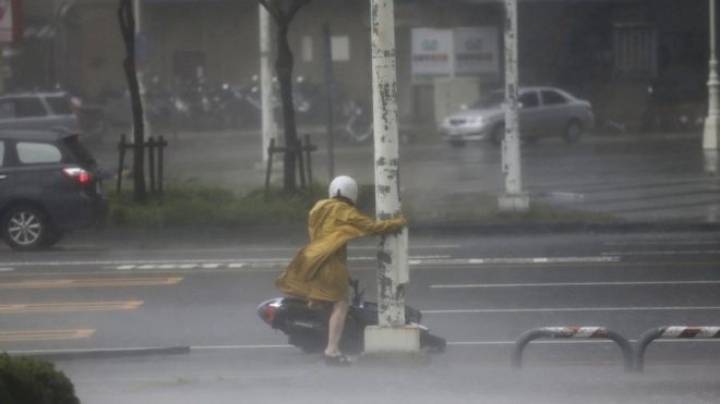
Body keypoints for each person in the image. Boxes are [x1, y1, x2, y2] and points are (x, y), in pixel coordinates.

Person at [275, 175, 406, 366]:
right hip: (331, 262)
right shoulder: (344, 211)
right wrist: (397, 222)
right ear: (352, 193)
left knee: (323, 302)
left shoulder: (318, 209)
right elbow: (371, 227)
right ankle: (332, 350)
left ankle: (321, 339)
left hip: (314, 260)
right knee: (341, 305)